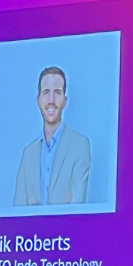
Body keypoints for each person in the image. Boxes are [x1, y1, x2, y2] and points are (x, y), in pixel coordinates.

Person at [14, 66, 91, 205]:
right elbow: (18, 212)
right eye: (46, 92)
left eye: (57, 92)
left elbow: (76, 209)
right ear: (38, 100)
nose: (51, 100)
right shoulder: (28, 154)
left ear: (65, 101)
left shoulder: (80, 145)